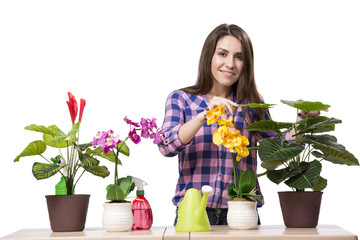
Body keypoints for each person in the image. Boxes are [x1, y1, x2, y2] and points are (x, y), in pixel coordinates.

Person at [157, 23, 292, 225]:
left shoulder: (252, 104)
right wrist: (205, 115)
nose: (230, 64)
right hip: (194, 213)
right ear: (208, 56)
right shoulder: (181, 99)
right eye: (222, 54)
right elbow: (166, 146)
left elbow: (280, 147)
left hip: (242, 212)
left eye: (239, 57)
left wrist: (303, 122)